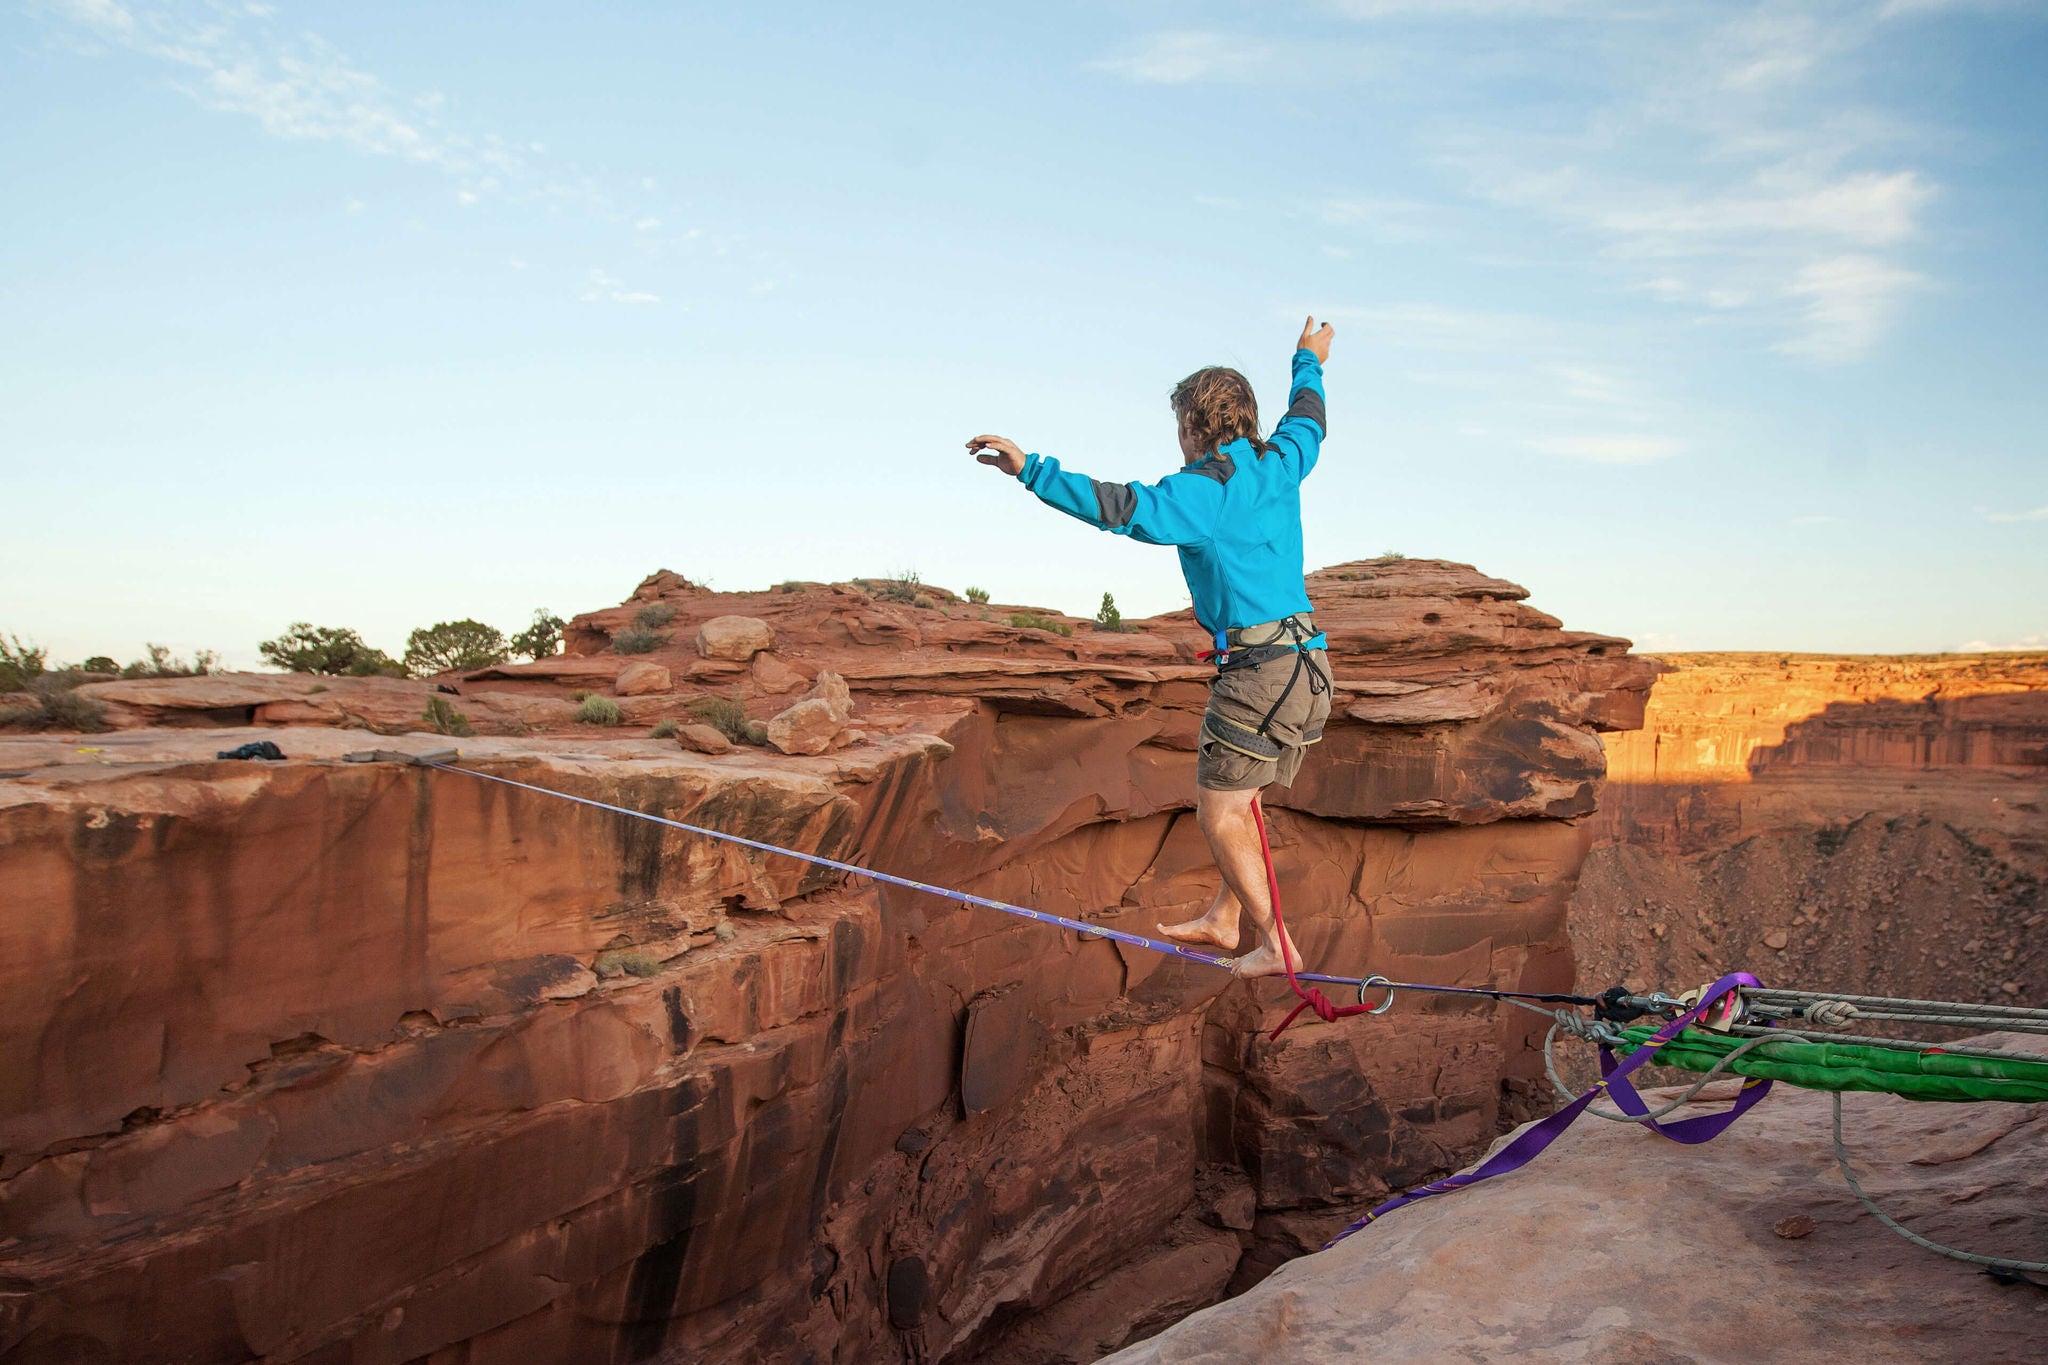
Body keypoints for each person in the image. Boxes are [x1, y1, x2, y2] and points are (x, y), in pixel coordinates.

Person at [967, 317, 1335, 978]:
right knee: (1243, 796)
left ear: (1194, 429)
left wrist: (1031, 470)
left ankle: (1276, 940)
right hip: (1311, 669)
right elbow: (1308, 416)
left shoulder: (1203, 490)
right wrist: (1308, 359)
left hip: (1260, 672)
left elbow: (1119, 506)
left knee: (1219, 811)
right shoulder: (1283, 460)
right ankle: (1229, 917)